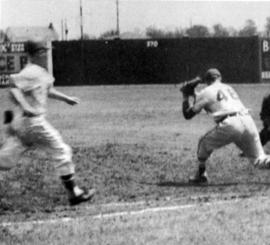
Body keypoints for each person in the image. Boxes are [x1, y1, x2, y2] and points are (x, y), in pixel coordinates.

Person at [0, 41, 95, 205]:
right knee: (61, 150)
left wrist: (66, 99)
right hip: (33, 123)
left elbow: (48, 90)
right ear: (35, 54)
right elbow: (13, 86)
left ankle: (74, 192)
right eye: (43, 52)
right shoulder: (31, 71)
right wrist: (25, 105)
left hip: (23, 124)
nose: (46, 54)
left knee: (6, 159)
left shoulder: (41, 73)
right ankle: (74, 193)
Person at [181, 68, 270, 184]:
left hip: (231, 124)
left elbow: (188, 114)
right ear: (220, 78)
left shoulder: (206, 91)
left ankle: (201, 175)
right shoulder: (228, 87)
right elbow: (210, 99)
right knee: (259, 159)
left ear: (207, 81)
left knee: (203, 143)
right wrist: (192, 93)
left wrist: (185, 96)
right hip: (247, 120)